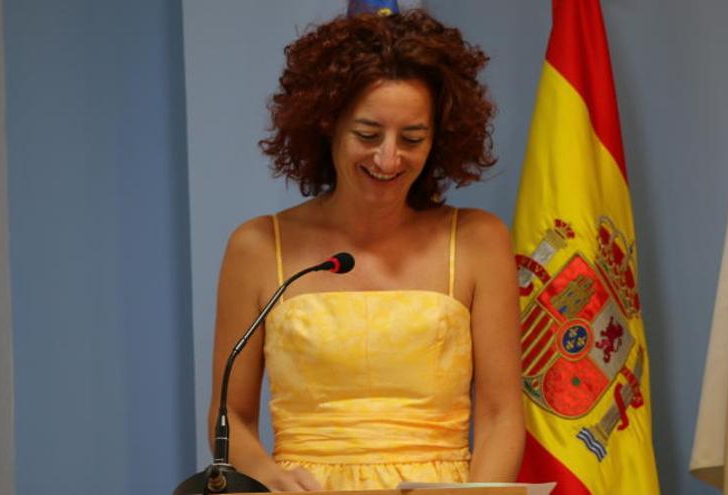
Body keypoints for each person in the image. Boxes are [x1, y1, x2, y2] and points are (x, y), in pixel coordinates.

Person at [208, 8, 524, 492]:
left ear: (439, 139)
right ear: (328, 125)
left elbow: (503, 415)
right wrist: (270, 478)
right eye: (368, 135)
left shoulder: (479, 240)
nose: (388, 158)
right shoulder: (255, 247)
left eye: (412, 138)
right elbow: (231, 415)